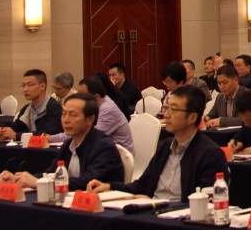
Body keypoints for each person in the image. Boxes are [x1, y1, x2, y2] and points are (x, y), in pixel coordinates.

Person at [92, 85, 225, 203]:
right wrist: (109, 187)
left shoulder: (210, 154)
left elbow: (205, 204)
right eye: (166, 108)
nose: (166, 115)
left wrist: (156, 204)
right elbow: (141, 186)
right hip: (152, 211)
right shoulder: (164, 147)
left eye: (173, 109)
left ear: (192, 117)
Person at [1, 93, 122, 192]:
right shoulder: (68, 145)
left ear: (90, 119)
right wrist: (20, 179)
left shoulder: (104, 146)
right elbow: (51, 173)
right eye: (64, 114)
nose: (66, 120)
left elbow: (87, 181)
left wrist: (39, 183)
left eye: (73, 115)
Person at [53, 74, 134, 154]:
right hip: (98, 150)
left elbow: (88, 136)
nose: (79, 100)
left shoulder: (107, 109)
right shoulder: (97, 105)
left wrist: (53, 138)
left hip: (118, 156)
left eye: (83, 97)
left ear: (96, 97)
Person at [0, 69, 61, 142]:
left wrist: (16, 136)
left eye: (30, 85)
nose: (25, 89)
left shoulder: (54, 107)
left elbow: (48, 134)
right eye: (23, 85)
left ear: (42, 86)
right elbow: (16, 127)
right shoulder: (26, 109)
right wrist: (3, 131)